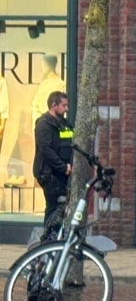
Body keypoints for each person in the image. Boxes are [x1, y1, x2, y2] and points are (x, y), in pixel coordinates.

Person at [33, 91, 73, 231]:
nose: (66, 109)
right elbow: (46, 150)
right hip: (49, 174)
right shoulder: (44, 124)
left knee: (61, 206)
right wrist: (63, 167)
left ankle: (57, 236)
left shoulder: (65, 123)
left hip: (62, 173)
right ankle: (48, 239)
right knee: (53, 206)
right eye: (64, 105)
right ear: (54, 105)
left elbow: (70, 145)